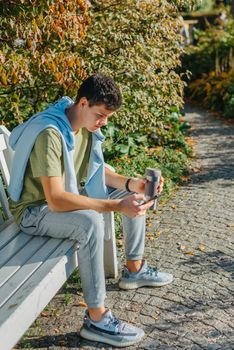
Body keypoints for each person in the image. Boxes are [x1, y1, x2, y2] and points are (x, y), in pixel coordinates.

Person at [9, 73, 173, 347]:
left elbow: (98, 174)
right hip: (34, 212)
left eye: (107, 117)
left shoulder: (85, 126)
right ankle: (97, 319)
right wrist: (115, 206)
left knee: (130, 193)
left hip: (59, 201)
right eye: (100, 115)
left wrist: (135, 185)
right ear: (83, 103)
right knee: (90, 223)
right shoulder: (50, 133)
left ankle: (134, 269)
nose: (103, 123)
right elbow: (57, 200)